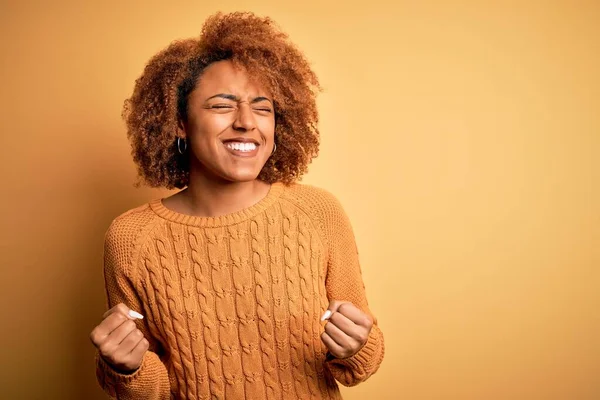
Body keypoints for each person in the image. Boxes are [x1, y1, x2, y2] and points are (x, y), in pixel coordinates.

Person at [89, 11, 384, 400]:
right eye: (221, 105)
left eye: (263, 108)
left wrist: (357, 346)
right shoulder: (131, 237)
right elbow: (152, 389)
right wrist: (122, 366)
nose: (247, 122)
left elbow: (362, 361)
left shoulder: (318, 212)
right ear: (179, 123)